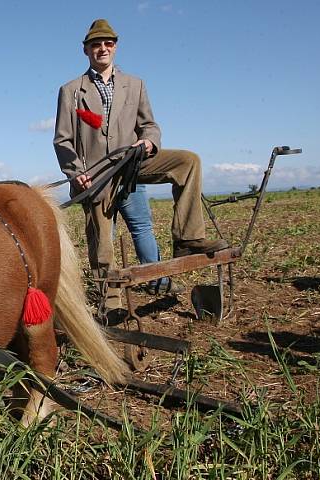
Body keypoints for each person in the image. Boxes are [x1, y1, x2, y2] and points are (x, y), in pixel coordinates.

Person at [53, 19, 227, 311]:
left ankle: (189, 238)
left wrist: (148, 142)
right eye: (96, 44)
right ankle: (111, 303)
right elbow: (63, 139)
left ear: (115, 47)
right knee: (102, 243)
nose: (102, 48)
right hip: (96, 175)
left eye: (108, 43)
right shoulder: (71, 90)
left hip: (133, 167)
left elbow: (150, 126)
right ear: (86, 50)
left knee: (188, 162)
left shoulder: (135, 84)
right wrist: (76, 173)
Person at [114, 184, 182, 294]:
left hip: (98, 182)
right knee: (142, 228)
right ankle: (158, 280)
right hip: (126, 178)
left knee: (102, 236)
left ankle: (108, 291)